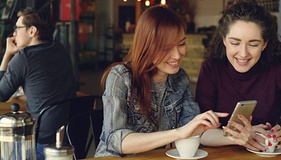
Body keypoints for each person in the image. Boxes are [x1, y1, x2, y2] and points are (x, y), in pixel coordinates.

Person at [94, 5, 228, 157]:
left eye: (181, 44)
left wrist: (237, 136)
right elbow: (116, 141)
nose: (177, 55)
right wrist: (177, 133)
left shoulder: (180, 79)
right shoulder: (121, 77)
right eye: (166, 48)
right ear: (147, 46)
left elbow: (195, 130)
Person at [195, 0, 281, 152]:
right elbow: (200, 131)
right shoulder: (212, 68)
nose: (243, 53)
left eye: (253, 44)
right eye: (235, 43)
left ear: (264, 44)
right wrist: (244, 136)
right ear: (224, 40)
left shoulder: (280, 72)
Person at [0, 8, 76, 159]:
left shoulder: (24, 57)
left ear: (32, 31)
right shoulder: (60, 48)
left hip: (40, 139)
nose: (13, 34)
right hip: (69, 135)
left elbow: (1, 94)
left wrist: (8, 54)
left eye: (17, 28)